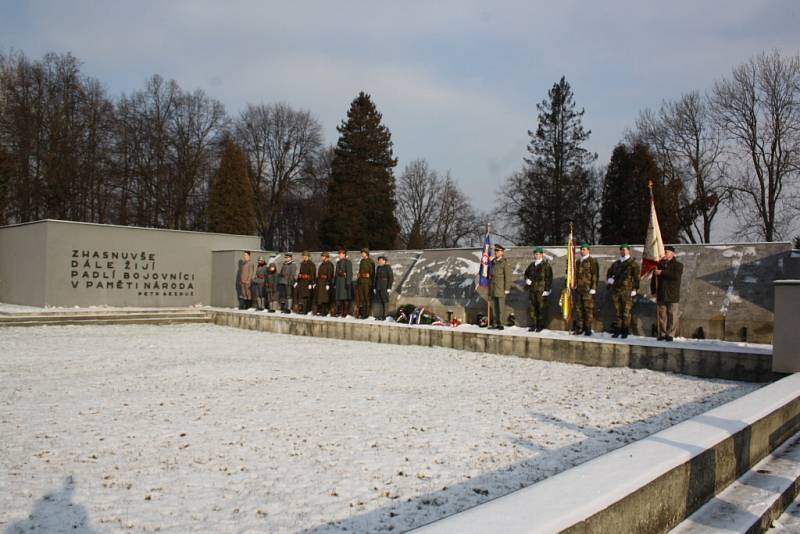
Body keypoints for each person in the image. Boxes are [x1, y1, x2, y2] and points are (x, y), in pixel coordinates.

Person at [606, 244, 640, 339]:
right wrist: (609, 279)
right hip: (616, 290)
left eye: (625, 250)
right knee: (618, 312)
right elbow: (609, 272)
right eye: (622, 250)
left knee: (626, 312)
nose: (623, 252)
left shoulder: (633, 264)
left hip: (627, 291)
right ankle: (618, 330)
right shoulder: (616, 264)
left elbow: (636, 277)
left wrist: (635, 289)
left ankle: (625, 330)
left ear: (629, 251)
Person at [651, 245, 683, 341]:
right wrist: (653, 290)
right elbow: (654, 279)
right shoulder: (659, 265)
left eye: (667, 252)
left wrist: (662, 273)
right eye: (664, 251)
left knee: (672, 315)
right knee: (662, 315)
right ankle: (662, 333)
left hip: (672, 294)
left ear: (672, 254)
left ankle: (670, 334)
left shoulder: (678, 265)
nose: (664, 253)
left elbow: (675, 276)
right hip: (661, 293)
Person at [524, 246, 553, 332]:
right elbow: (526, 274)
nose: (536, 255)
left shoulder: (546, 265)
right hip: (532, 290)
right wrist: (527, 280)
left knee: (541, 308)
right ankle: (534, 324)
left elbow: (549, 278)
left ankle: (540, 325)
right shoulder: (532, 265)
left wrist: (547, 290)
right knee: (532, 308)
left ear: (542, 255)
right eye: (535, 254)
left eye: (537, 254)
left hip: (541, 290)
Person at [574, 243, 599, 336]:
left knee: (588, 309)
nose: (582, 251)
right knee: (579, 309)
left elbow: (595, 275)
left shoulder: (592, 261)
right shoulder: (578, 262)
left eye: (584, 249)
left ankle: (588, 328)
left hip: (588, 289)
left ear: (588, 250)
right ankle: (580, 327)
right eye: (581, 249)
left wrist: (593, 287)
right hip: (578, 289)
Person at [489, 244, 512, 330]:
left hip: (501, 288)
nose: (496, 252)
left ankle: (501, 323)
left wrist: (507, 288)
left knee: (501, 307)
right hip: (493, 287)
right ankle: (495, 323)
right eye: (495, 251)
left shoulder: (504, 263)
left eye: (497, 251)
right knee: (494, 307)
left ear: (502, 252)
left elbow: (508, 277)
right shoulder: (492, 262)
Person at [356, 248, 376, 319]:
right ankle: (363, 313)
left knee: (367, 298)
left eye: (363, 253)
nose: (362, 254)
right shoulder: (362, 261)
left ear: (366, 253)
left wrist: (372, 283)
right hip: (361, 282)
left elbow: (372, 274)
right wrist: (359, 275)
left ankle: (367, 314)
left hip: (368, 283)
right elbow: (360, 270)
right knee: (362, 298)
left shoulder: (371, 262)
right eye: (361, 253)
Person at [333, 248, 353, 317]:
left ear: (344, 254)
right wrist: (334, 283)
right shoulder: (338, 262)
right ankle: (341, 311)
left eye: (341, 254)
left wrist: (348, 283)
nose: (339, 255)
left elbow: (349, 273)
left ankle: (345, 312)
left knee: (345, 298)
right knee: (340, 298)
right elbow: (336, 273)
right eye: (339, 254)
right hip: (339, 283)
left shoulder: (348, 262)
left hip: (344, 282)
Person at [373, 255, 394, 320]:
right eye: (379, 260)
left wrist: (389, 287)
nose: (380, 262)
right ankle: (379, 315)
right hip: (378, 287)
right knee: (379, 302)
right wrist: (374, 287)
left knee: (385, 301)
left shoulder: (388, 267)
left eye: (381, 260)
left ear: (384, 261)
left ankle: (385, 315)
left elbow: (391, 278)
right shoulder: (378, 268)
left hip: (384, 287)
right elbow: (375, 278)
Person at [314, 251, 335, 316]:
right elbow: (319, 274)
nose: (322, 257)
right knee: (320, 298)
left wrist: (328, 283)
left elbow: (330, 275)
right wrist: (316, 282)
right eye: (322, 256)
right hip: (320, 283)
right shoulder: (322, 264)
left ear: (326, 257)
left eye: (323, 256)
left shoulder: (330, 264)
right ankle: (321, 310)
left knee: (325, 298)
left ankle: (325, 311)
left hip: (325, 283)